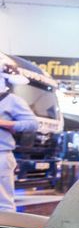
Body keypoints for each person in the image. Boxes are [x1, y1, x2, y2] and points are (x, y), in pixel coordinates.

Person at [0, 68, 38, 212]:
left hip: (1, 154)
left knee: (3, 205)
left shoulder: (11, 100)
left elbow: (33, 124)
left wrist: (5, 123)